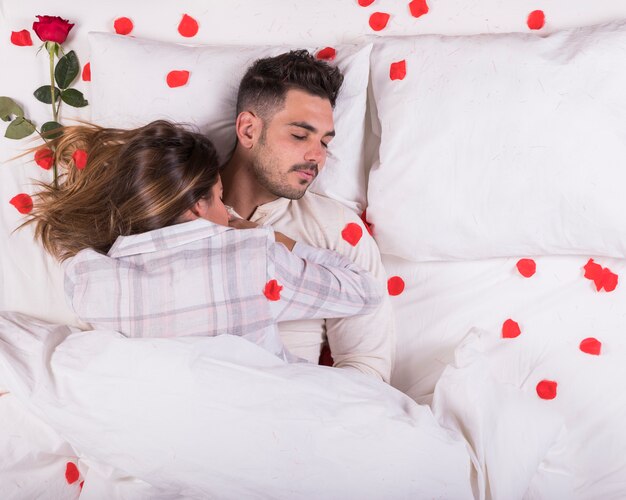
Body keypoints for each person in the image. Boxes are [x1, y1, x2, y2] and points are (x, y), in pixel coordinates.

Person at [25, 120, 383, 362]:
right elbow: (365, 292)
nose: (227, 209)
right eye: (219, 196)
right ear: (197, 206)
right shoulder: (256, 259)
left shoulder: (86, 279)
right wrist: (276, 239)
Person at [221, 50, 395, 381]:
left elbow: (366, 367)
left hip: (297, 414)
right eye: (300, 136)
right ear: (247, 130)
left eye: (325, 143)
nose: (317, 156)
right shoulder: (177, 205)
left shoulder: (337, 230)